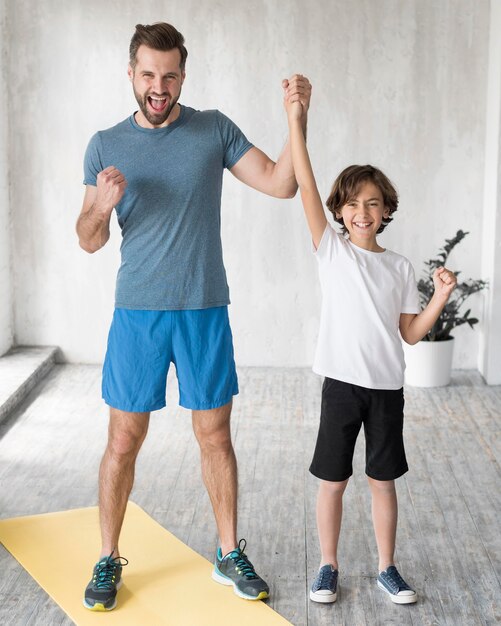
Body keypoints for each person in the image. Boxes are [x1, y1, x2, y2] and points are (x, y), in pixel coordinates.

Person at [76, 22, 311, 612]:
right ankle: (107, 557)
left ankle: (229, 553)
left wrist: (296, 119)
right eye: (149, 74)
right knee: (123, 439)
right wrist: (100, 208)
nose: (160, 86)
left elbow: (282, 185)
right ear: (131, 73)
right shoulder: (104, 144)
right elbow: (87, 239)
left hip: (205, 307)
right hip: (138, 313)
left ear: (183, 75)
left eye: (170, 75)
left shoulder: (214, 130)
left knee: (214, 436)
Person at [283, 87, 457, 605]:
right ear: (341, 210)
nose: (363, 212)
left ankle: (387, 568)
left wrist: (441, 296)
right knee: (333, 482)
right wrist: (296, 117)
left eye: (373, 203)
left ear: (386, 211)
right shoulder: (332, 252)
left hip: (386, 390)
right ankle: (327, 565)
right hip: (341, 386)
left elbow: (410, 332)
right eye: (353, 203)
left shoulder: (400, 267)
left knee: (383, 482)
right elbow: (307, 186)